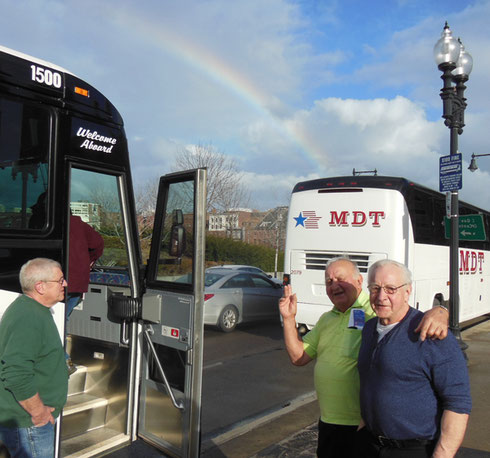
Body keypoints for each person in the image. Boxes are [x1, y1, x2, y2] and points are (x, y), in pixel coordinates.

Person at [279, 257, 449, 457]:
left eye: (341, 279)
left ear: (360, 282)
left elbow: (403, 315)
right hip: (329, 423)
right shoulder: (326, 319)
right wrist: (289, 319)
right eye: (329, 281)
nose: (334, 285)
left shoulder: (375, 311)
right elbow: (299, 357)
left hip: (363, 426)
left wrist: (440, 311)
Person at [356, 259, 471, 457]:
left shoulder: (432, 333)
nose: (382, 296)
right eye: (375, 288)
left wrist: (442, 455)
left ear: (407, 291)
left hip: (415, 449)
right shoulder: (369, 329)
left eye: (391, 289)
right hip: (371, 444)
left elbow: (458, 402)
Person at [0, 258, 69, 458]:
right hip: (30, 423)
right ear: (40, 286)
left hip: (28, 421)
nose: (65, 284)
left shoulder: (33, 310)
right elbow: (16, 373)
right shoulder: (28, 317)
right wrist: (39, 412)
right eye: (60, 280)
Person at [66, 213, 104, 372]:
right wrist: (89, 262)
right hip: (78, 281)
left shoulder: (39, 220)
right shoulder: (77, 223)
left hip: (57, 282)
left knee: (52, 322)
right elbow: (98, 243)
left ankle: (63, 362)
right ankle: (65, 361)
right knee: (62, 320)